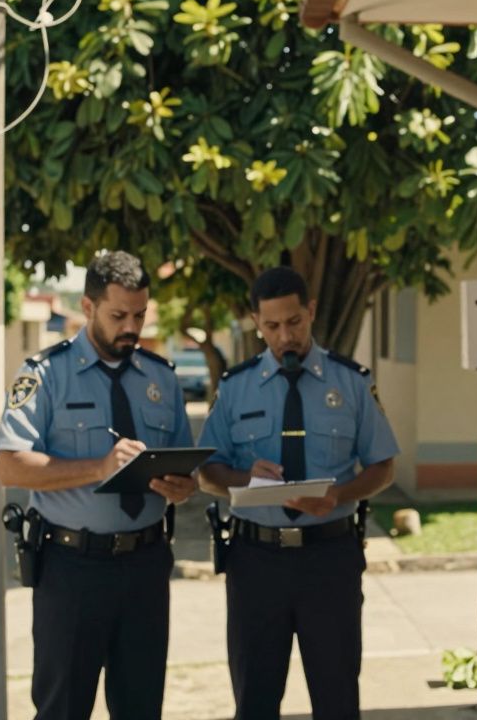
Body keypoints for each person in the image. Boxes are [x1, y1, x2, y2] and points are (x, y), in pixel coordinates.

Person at [0, 250, 198, 720]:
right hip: (72, 569)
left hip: (145, 566)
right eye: (119, 315)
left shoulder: (162, 379)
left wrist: (182, 487)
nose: (132, 327)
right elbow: (11, 466)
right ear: (87, 308)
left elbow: (184, 466)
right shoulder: (44, 374)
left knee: (141, 706)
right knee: (63, 708)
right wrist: (99, 466)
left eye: (141, 315)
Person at [197, 266, 399, 720]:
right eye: (272, 326)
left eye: (294, 322)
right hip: (256, 563)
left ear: (310, 311)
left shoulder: (350, 382)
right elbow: (207, 474)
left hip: (329, 560)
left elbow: (384, 466)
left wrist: (341, 493)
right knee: (255, 701)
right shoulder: (236, 387)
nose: (284, 335)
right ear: (256, 322)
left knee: (337, 700)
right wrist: (244, 477)